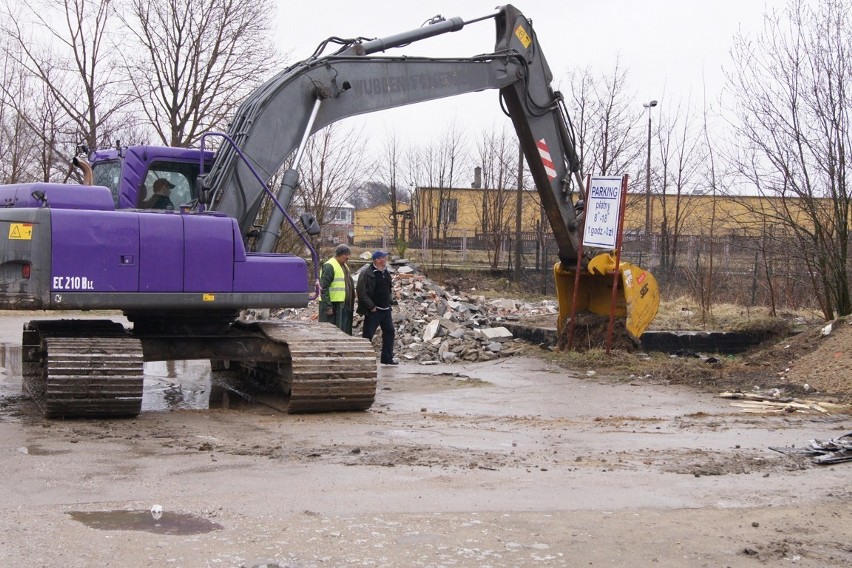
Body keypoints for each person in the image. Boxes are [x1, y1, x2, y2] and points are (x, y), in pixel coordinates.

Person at [356, 250, 398, 365]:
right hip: (374, 311)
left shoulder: (385, 272)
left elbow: (387, 289)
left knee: (389, 332)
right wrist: (371, 306)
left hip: (385, 309)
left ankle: (387, 359)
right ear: (377, 260)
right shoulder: (367, 273)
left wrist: (390, 302)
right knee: (368, 335)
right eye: (384, 257)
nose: (386, 259)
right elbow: (361, 292)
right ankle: (363, 359)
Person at [318, 244, 355, 334]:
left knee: (341, 330)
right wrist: (328, 307)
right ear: (340, 255)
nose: (348, 257)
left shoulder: (344, 266)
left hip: (342, 304)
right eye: (346, 254)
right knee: (330, 331)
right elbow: (323, 288)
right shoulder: (329, 266)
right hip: (332, 305)